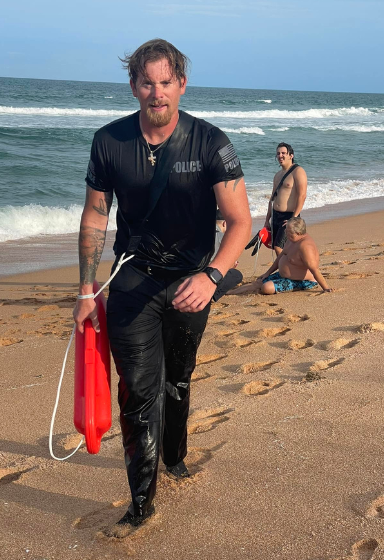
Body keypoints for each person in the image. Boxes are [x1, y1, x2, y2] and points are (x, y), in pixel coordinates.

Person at [72, 38, 252, 537]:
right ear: (134, 87)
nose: (157, 93)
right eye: (147, 83)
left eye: (165, 82)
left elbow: (239, 221)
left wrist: (212, 276)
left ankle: (175, 456)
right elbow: (94, 214)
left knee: (178, 378)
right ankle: (141, 503)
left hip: (192, 282)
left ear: (181, 85)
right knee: (137, 392)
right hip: (131, 280)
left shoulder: (211, 143)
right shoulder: (108, 142)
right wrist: (87, 288)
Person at [230, 217, 332, 295]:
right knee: (258, 282)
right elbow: (281, 257)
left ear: (299, 232)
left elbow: (314, 269)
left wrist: (326, 288)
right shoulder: (292, 239)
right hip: (284, 275)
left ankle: (298, 287)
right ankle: (228, 293)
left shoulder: (305, 247)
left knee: (266, 288)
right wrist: (267, 273)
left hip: (303, 280)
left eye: (289, 232)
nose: (286, 234)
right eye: (286, 231)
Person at [264, 143, 307, 257]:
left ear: (291, 155)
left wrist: (293, 219)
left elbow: (302, 196)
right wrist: (267, 220)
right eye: (278, 153)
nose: (280, 155)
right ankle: (285, 271)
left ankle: (288, 271)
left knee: (279, 247)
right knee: (277, 247)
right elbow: (272, 199)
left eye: (283, 153)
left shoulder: (298, 171)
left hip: (289, 216)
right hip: (275, 215)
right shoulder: (277, 175)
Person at [212, 208, 244, 301]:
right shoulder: (222, 237)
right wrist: (231, 265)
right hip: (208, 275)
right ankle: (215, 293)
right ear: (225, 223)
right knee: (236, 275)